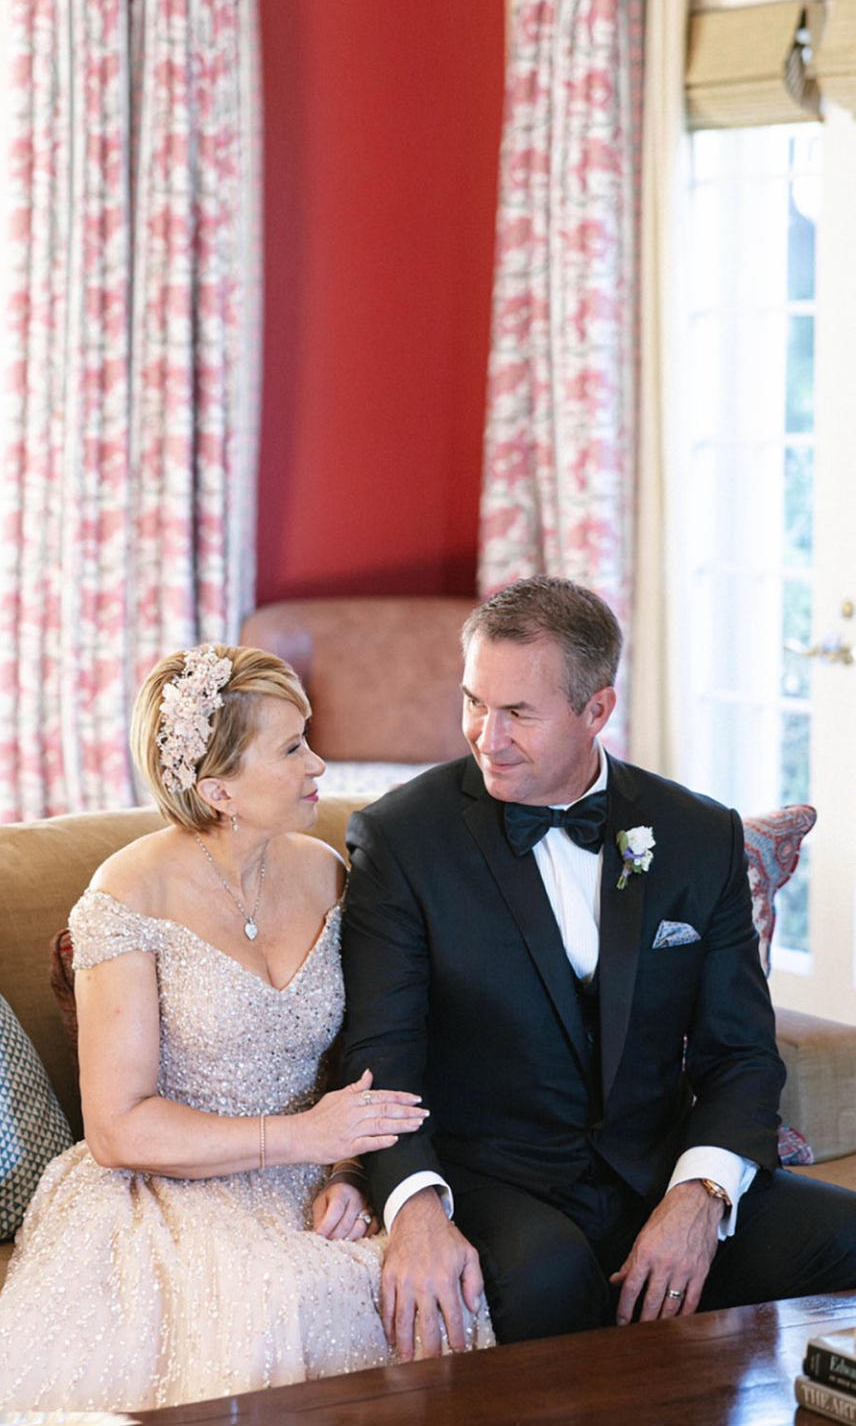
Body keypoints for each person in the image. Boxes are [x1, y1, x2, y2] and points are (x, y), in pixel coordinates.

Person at [341, 576, 856, 1361]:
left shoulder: (696, 835)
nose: (487, 736)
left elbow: (741, 1055)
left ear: (598, 711)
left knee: (845, 1236)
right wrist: (415, 1207)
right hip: (497, 1178)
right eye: (475, 701)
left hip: (658, 1170)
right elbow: (384, 1056)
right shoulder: (402, 840)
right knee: (547, 1280)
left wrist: (700, 1194)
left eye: (518, 712)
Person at [0, 643, 492, 1412]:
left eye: (308, 738)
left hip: (317, 1179)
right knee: (272, 1300)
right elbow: (118, 1128)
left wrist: (350, 1172)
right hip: (171, 1186)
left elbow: (371, 1048)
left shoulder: (329, 871)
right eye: (291, 749)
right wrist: (306, 1139)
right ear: (219, 790)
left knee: (439, 1282)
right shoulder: (127, 895)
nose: (320, 765)